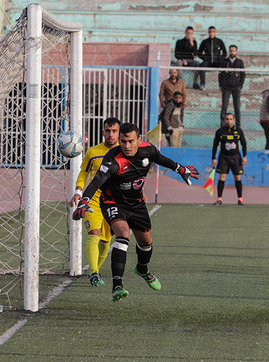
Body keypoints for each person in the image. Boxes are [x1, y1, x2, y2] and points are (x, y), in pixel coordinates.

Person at [72, 123, 199, 301]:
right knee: (123, 234)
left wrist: (181, 169)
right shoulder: (113, 159)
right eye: (123, 141)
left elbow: (162, 159)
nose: (127, 146)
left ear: (139, 140)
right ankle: (117, 285)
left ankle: (142, 269)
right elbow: (97, 180)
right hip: (112, 202)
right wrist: (84, 199)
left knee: (146, 243)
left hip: (137, 204)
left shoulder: (148, 150)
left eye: (131, 141)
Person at [69, 118, 120, 286]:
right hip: (93, 200)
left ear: (118, 132)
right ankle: (94, 273)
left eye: (114, 131)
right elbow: (84, 172)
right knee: (94, 235)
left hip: (113, 202)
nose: (110, 134)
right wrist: (78, 192)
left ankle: (95, 270)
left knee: (106, 242)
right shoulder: (92, 151)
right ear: (103, 132)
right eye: (107, 130)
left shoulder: (123, 152)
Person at [211, 113, 247, 205]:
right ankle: (219, 199)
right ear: (224, 120)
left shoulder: (238, 131)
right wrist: (213, 158)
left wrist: (244, 156)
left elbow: (244, 144)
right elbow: (215, 145)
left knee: (237, 177)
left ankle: (240, 199)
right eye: (227, 119)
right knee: (222, 177)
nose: (229, 121)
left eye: (231, 119)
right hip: (224, 157)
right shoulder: (220, 131)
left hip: (236, 158)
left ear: (234, 120)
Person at [218, 45, 245, 128]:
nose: (232, 52)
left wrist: (240, 85)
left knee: (237, 107)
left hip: (236, 87)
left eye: (233, 51)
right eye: (231, 51)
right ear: (229, 51)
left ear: (236, 52)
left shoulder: (240, 62)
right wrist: (221, 85)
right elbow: (220, 74)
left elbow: (243, 74)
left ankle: (238, 126)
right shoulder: (225, 61)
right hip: (226, 87)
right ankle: (223, 125)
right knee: (224, 107)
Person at [198, 26, 227, 90]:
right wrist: (205, 58)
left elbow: (225, 53)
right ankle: (202, 84)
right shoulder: (205, 42)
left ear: (215, 32)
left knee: (223, 67)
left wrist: (220, 59)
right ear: (208, 33)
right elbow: (199, 53)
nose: (211, 33)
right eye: (210, 32)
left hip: (217, 61)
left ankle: (222, 85)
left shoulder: (219, 41)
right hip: (208, 61)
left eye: (212, 32)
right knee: (201, 66)